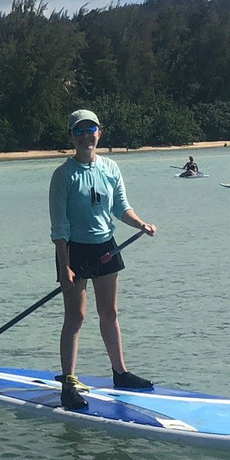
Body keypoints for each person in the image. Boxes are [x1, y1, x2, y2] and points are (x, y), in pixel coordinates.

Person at [49, 109, 158, 410]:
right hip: (74, 250)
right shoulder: (63, 175)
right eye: (79, 131)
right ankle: (68, 385)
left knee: (109, 313)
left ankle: (120, 373)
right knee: (76, 317)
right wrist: (64, 266)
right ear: (72, 137)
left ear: (100, 133)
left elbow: (121, 207)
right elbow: (59, 226)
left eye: (91, 130)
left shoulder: (110, 167)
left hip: (106, 246)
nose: (86, 136)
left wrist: (141, 224)